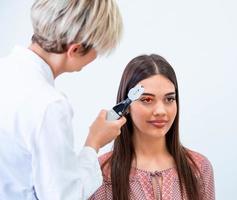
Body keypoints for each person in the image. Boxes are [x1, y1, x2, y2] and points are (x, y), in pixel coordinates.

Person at [0, 0, 126, 199]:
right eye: (98, 50)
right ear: (75, 50)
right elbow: (63, 196)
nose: (96, 57)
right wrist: (94, 142)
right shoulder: (49, 105)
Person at [89, 54, 215, 200]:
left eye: (169, 99)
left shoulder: (198, 167)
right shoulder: (102, 173)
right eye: (147, 99)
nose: (161, 111)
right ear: (126, 106)